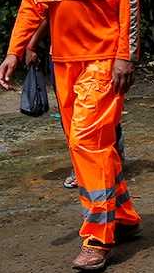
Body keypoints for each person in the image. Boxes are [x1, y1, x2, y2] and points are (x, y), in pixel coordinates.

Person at [0, 0, 141, 272]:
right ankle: (125, 216)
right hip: (64, 60)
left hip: (103, 57)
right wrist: (15, 48)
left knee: (87, 139)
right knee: (91, 145)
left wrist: (125, 54)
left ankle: (97, 236)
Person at [24, 18, 125, 190]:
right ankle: (82, 166)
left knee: (96, 111)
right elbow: (49, 15)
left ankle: (111, 153)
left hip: (96, 53)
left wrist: (124, 56)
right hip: (61, 56)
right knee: (71, 116)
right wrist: (30, 46)